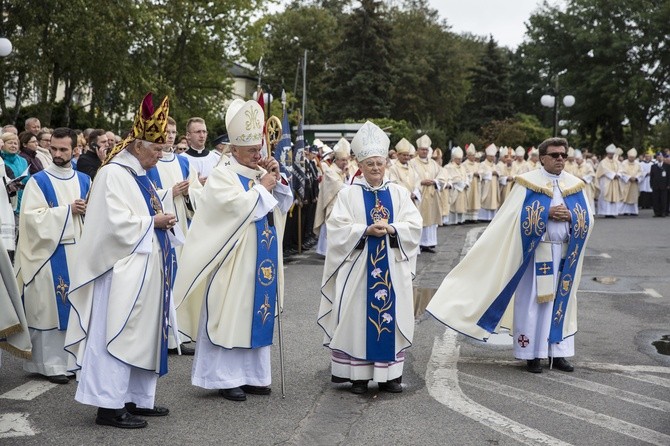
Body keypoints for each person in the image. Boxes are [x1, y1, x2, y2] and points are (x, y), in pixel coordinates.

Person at [427, 137, 593, 374]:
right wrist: (545, 213)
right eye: (555, 155)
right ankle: (532, 354)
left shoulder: (574, 184)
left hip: (566, 255)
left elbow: (588, 218)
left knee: (562, 303)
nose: (560, 159)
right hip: (535, 254)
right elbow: (512, 218)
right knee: (534, 303)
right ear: (542, 157)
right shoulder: (528, 183)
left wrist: (573, 218)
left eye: (563, 155)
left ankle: (559, 352)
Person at [65, 93, 175, 429]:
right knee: (114, 333)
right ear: (138, 146)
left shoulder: (139, 172)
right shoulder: (113, 173)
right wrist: (151, 223)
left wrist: (161, 218)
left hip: (144, 270)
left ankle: (136, 398)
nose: (161, 155)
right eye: (156, 149)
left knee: (140, 336)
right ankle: (108, 406)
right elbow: (110, 224)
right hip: (118, 273)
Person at [173, 99, 293, 402]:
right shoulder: (222, 174)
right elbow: (230, 210)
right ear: (234, 149)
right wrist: (263, 187)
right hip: (233, 260)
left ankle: (255, 376)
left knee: (257, 312)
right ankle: (225, 378)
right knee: (231, 314)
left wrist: (277, 182)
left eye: (260, 149)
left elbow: (280, 207)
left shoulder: (261, 172)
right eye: (252, 150)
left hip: (261, 258)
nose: (258, 154)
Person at [318, 121, 422, 394]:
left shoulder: (398, 193)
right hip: (359, 268)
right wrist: (364, 230)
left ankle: (390, 376)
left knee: (390, 316)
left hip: (392, 266)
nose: (375, 168)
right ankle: (359, 376)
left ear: (385, 163)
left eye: (379, 163)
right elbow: (337, 228)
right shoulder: (348, 194)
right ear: (360, 165)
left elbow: (414, 224)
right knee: (356, 317)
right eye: (370, 164)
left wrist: (391, 229)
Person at [16, 127, 90, 384]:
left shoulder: (84, 180)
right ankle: (48, 364)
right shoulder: (39, 180)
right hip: (49, 254)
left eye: (63, 149)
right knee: (48, 309)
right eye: (54, 149)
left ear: (75, 150)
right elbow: (31, 221)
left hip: (78, 251)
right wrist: (67, 211)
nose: (57, 154)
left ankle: (73, 361)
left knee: (77, 307)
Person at [146, 116, 203, 355]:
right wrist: (171, 192)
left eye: (172, 132)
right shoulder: (150, 161)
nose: (169, 136)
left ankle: (179, 335)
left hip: (182, 228)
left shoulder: (183, 163)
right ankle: (160, 335)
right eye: (165, 132)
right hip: (159, 229)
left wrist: (190, 194)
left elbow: (198, 195)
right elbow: (142, 194)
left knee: (181, 278)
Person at [313, 143, 350, 256]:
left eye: (346, 160)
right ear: (336, 160)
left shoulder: (342, 171)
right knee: (329, 228)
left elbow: (347, 183)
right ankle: (325, 251)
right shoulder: (330, 171)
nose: (345, 162)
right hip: (332, 204)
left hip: (341, 204)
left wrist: (347, 176)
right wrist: (351, 187)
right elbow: (338, 186)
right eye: (342, 160)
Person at [409, 135, 443, 252]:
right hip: (420, 194)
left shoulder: (433, 163)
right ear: (418, 150)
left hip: (432, 193)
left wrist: (435, 181)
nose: (424, 151)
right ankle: (420, 243)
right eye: (422, 149)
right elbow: (410, 177)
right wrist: (421, 182)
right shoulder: (412, 163)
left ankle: (429, 243)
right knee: (420, 217)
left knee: (431, 218)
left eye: (426, 149)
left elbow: (442, 174)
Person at [182, 117, 218, 185]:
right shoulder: (181, 160)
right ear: (188, 135)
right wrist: (196, 184)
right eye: (198, 132)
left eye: (204, 132)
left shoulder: (216, 158)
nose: (202, 135)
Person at [387, 138, 420, 207]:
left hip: (413, 198)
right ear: (398, 155)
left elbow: (417, 180)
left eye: (407, 155)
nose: (406, 157)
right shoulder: (393, 168)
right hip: (401, 200)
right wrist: (408, 194)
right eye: (404, 155)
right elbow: (395, 183)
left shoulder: (412, 167)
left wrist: (415, 193)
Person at [443, 146, 468, 225]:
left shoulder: (463, 167)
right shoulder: (448, 167)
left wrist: (466, 182)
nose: (460, 160)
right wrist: (457, 182)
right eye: (458, 159)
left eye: (461, 159)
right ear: (453, 158)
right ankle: (452, 220)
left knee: (461, 205)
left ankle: (460, 220)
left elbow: (466, 176)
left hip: (462, 189)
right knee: (453, 206)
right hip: (454, 190)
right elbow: (449, 177)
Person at [596, 144, 621, 218]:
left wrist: (618, 174)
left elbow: (621, 169)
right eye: (610, 154)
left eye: (613, 154)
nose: (611, 155)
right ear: (607, 153)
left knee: (614, 195)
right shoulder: (603, 162)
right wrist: (613, 175)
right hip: (606, 181)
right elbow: (604, 170)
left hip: (615, 181)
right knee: (605, 195)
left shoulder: (616, 162)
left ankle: (613, 212)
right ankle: (606, 212)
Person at [618, 148, 643, 216]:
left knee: (634, 197)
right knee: (625, 196)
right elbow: (621, 172)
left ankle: (633, 211)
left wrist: (636, 178)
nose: (631, 158)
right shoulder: (624, 163)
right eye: (630, 157)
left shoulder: (638, 164)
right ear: (628, 156)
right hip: (626, 183)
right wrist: (628, 177)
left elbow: (641, 173)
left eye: (633, 157)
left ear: (635, 157)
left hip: (634, 183)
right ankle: (624, 211)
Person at [463, 143, 481, 223]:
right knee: (468, 199)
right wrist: (472, 174)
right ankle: (467, 218)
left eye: (474, 155)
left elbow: (481, 172)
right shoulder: (464, 164)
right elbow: (464, 174)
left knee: (475, 199)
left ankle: (474, 218)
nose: (473, 157)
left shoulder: (477, 164)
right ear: (468, 156)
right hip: (469, 185)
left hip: (476, 184)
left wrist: (479, 174)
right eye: (472, 156)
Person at [650, 152, 669, 217]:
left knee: (663, 200)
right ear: (656, 158)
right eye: (658, 157)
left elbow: (669, 176)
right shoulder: (653, 166)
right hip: (655, 185)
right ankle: (657, 212)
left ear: (663, 157)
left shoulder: (667, 166)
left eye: (660, 156)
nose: (659, 158)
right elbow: (652, 176)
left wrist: (668, 184)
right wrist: (651, 184)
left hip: (664, 185)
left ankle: (663, 212)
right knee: (656, 200)